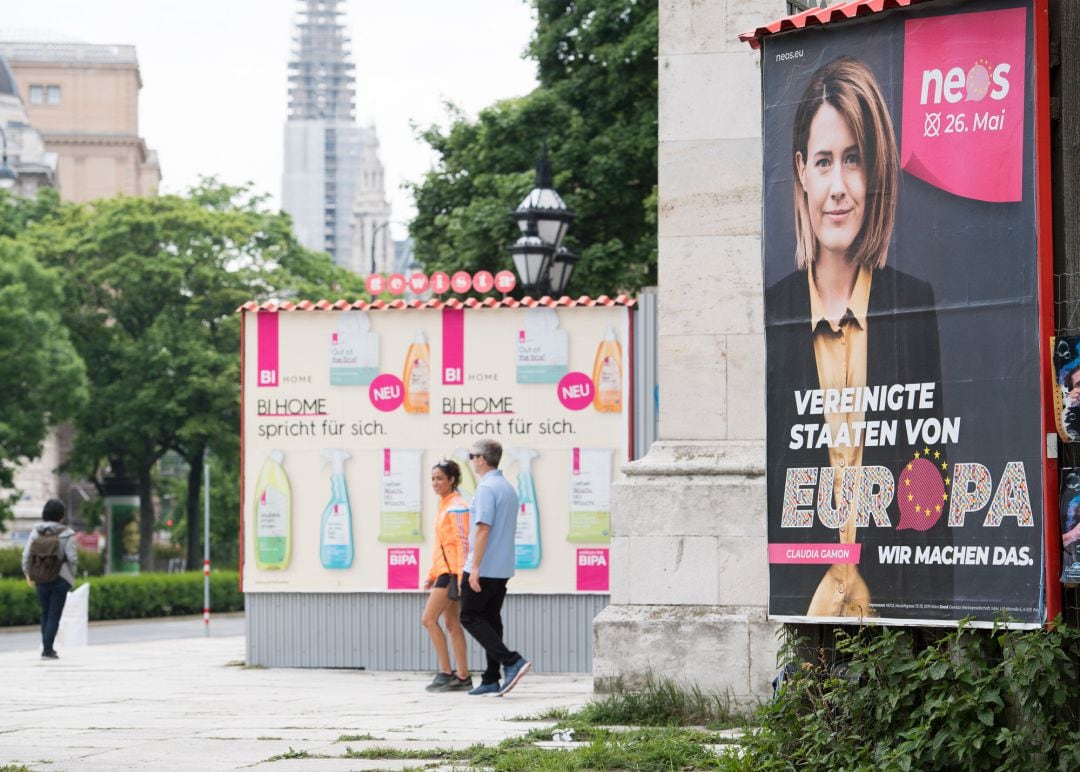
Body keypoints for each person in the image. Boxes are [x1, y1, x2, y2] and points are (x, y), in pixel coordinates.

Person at [765, 56, 943, 619]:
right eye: (823, 162)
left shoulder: (913, 302)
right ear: (801, 171)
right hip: (806, 602)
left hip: (893, 601)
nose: (838, 187)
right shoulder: (771, 310)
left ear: (878, 173)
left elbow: (928, 467)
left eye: (854, 161)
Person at [459, 439, 531, 696]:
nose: (471, 461)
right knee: (491, 619)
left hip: (484, 567)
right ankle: (491, 678)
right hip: (501, 568)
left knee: (468, 616)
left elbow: (483, 528)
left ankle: (511, 660)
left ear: (481, 459)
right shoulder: (507, 488)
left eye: (471, 456)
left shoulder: (487, 489)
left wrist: (474, 567)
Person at [420, 459, 473, 692]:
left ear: (452, 480)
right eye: (433, 478)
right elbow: (442, 545)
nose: (435, 483)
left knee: (428, 619)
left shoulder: (457, 505)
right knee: (452, 623)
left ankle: (445, 673)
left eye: (440, 478)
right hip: (444, 572)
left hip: (452, 574)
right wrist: (431, 574)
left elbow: (463, 543)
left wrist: (462, 577)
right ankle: (462, 677)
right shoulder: (444, 504)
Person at [21, 498, 78, 659]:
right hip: (60, 579)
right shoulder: (67, 534)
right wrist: (71, 578)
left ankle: (46, 645)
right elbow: (72, 559)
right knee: (54, 614)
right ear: (61, 516)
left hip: (40, 577)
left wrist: (29, 573)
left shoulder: (36, 532)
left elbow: (26, 556)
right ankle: (47, 649)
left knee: (45, 612)